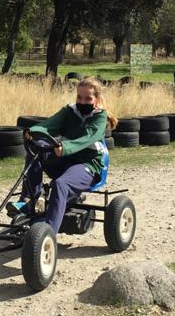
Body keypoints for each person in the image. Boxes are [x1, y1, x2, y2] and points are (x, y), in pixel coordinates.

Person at [12, 77, 118, 235]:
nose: (82, 102)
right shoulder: (70, 111)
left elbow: (88, 137)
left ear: (96, 100)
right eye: (79, 97)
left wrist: (65, 147)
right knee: (34, 154)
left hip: (87, 165)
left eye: (88, 98)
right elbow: (50, 125)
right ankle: (30, 201)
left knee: (60, 184)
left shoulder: (99, 117)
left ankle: (48, 232)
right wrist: (32, 132)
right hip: (65, 161)